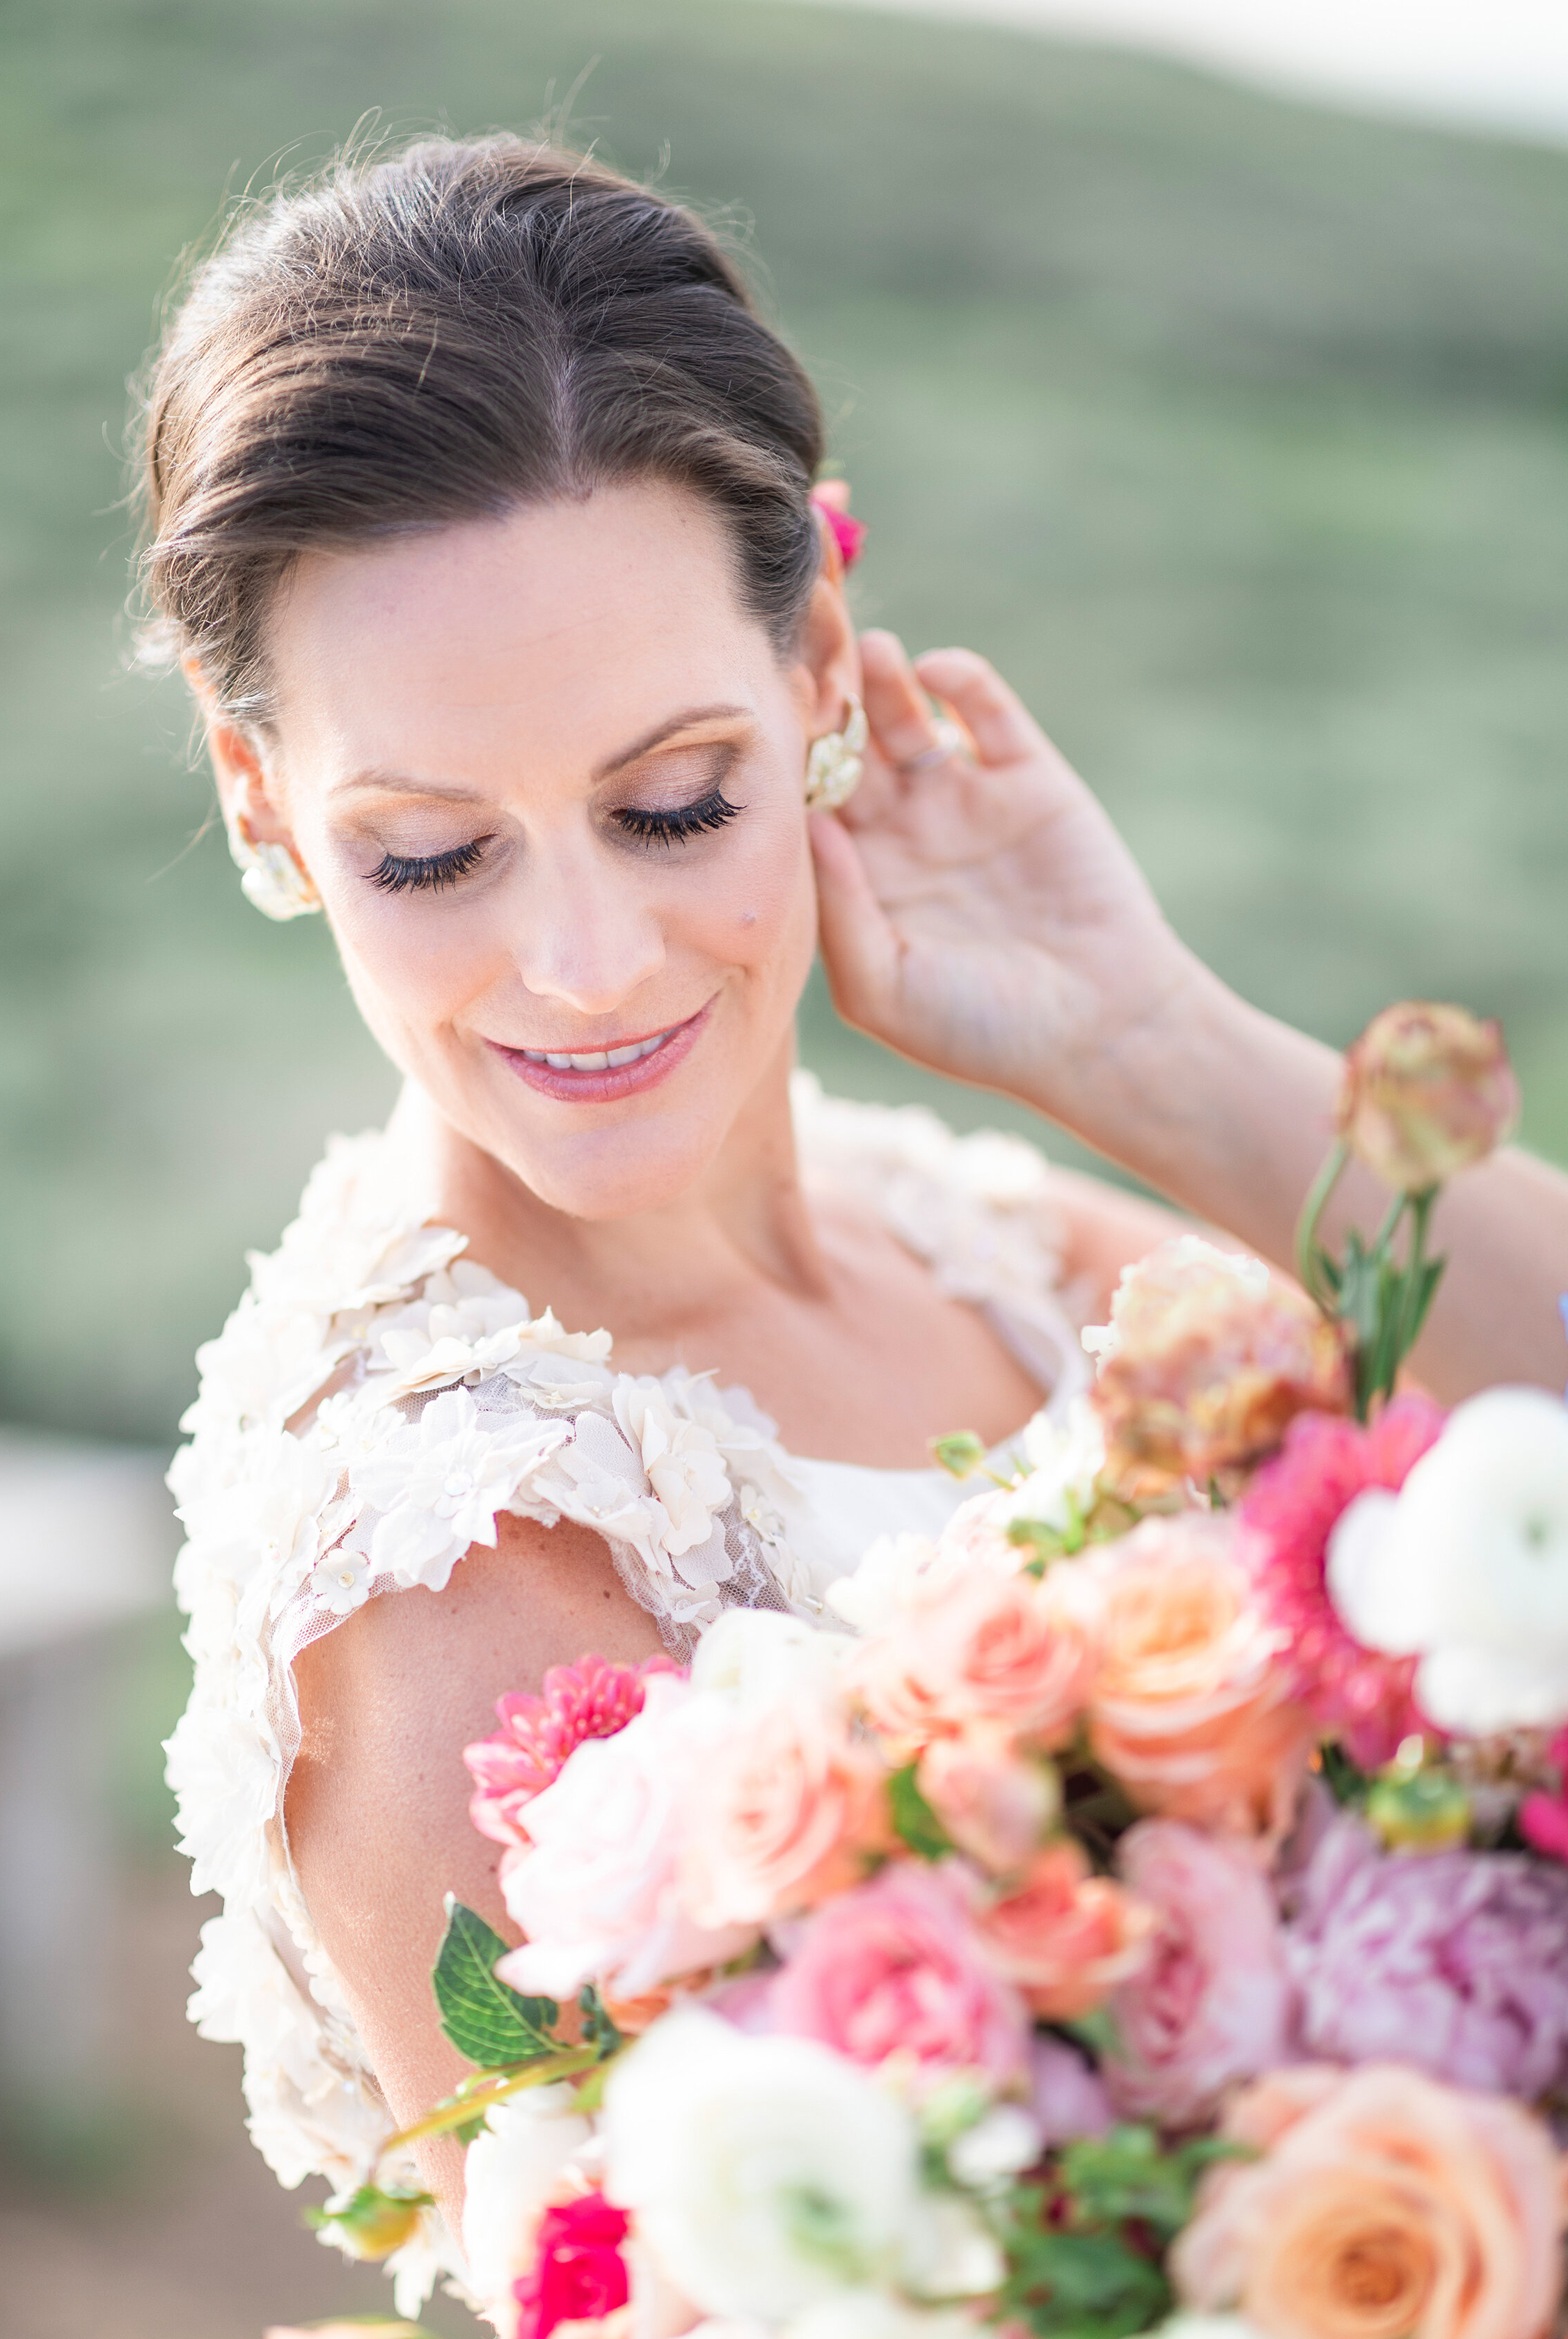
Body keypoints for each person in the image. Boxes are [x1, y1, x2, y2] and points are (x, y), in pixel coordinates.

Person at [145, 134, 1568, 2310]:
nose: (591, 960)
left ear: (820, 683)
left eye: (672, 802)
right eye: (433, 853)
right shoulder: (433, 1548)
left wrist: (1146, 1039)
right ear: (266, 812)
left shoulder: (968, 1232)